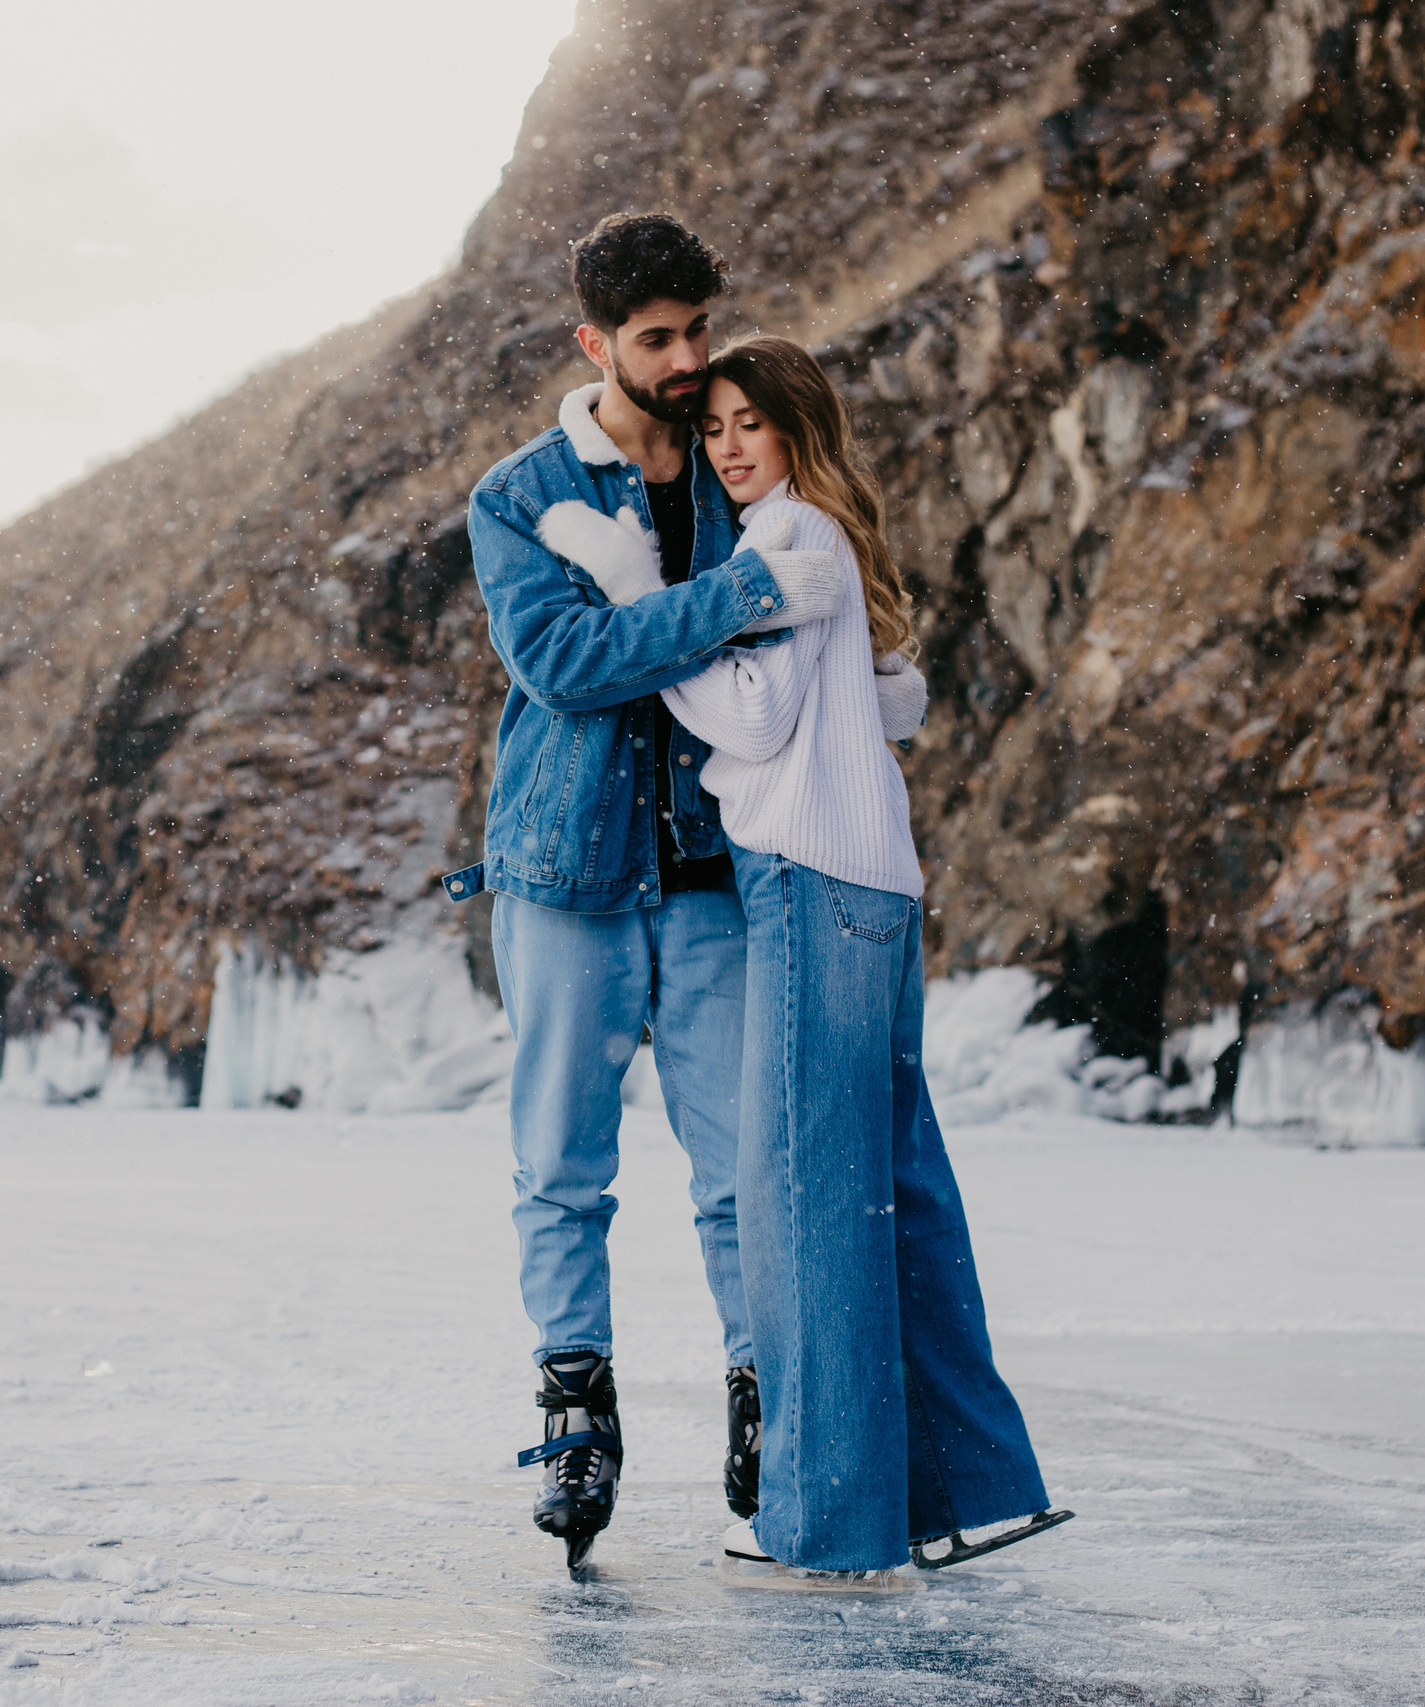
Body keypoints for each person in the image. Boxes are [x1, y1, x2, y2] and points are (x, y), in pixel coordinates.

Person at [575, 335, 1063, 1583]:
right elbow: (887, 702)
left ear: (797, 429)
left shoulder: (786, 539)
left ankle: (820, 1519)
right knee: (891, 1189)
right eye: (716, 427)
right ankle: (965, 1489)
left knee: (803, 1200)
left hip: (807, 878)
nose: (730, 445)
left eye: (751, 422)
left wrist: (648, 624)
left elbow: (751, 716)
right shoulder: (825, 538)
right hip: (872, 887)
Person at [445, 213, 884, 1576]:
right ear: (596, 344)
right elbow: (567, 663)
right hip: (562, 872)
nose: (689, 361)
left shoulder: (734, 467)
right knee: (561, 1168)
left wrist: (845, 662)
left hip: (710, 872)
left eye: (699, 330)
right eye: (658, 340)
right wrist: (734, 595)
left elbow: (802, 605)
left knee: (743, 1168)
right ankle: (577, 1414)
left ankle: (768, 1398)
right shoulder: (520, 496)